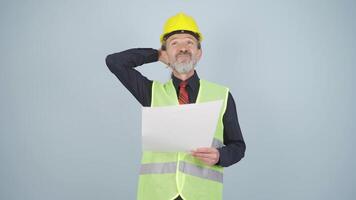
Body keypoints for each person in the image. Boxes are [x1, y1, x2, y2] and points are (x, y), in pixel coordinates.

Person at [105, 12, 246, 200]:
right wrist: (155, 55)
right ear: (166, 53)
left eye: (189, 42)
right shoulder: (151, 93)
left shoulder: (222, 96)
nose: (183, 48)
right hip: (157, 194)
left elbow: (238, 146)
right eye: (174, 43)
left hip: (202, 194)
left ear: (199, 53)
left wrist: (220, 156)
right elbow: (115, 62)